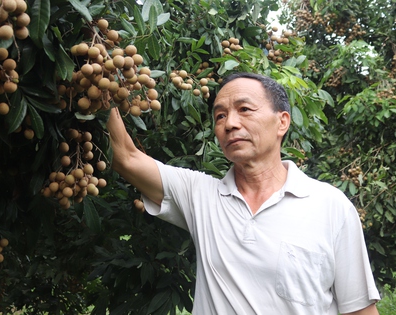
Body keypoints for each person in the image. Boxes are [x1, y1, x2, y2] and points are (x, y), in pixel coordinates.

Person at [107, 72, 380, 314]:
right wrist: (102, 72)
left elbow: (359, 310)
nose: (230, 124)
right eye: (220, 116)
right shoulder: (201, 196)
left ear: (282, 122)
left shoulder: (330, 206)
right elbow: (126, 158)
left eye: (245, 109)